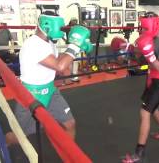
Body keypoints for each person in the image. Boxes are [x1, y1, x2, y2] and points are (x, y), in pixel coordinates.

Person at [5, 12, 93, 145]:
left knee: (70, 124)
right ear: (47, 26)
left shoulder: (50, 43)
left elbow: (62, 68)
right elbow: (60, 66)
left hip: (51, 92)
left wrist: (78, 47)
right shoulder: (33, 45)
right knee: (19, 137)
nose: (62, 31)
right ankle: (1, 144)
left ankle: (68, 158)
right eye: (60, 27)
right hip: (30, 95)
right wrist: (75, 45)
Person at [122, 12, 159, 163]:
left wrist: (149, 54)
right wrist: (134, 50)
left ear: (155, 25)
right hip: (152, 75)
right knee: (152, 106)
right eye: (142, 28)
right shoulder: (149, 36)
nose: (143, 31)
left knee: (145, 112)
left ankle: (139, 153)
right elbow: (141, 60)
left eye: (145, 28)